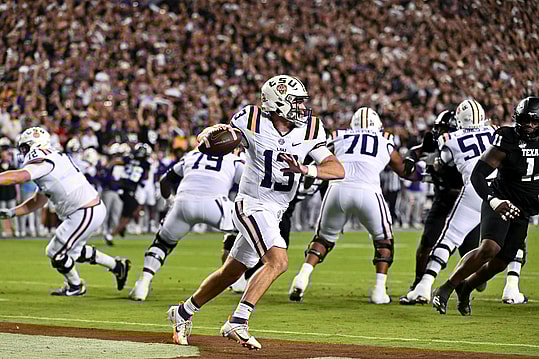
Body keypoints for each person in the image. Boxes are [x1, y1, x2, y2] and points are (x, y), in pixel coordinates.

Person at [166, 75, 345, 350]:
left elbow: (337, 168)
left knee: (231, 272)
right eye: (295, 101)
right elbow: (228, 137)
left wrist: (306, 169)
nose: (301, 107)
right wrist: (210, 135)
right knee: (278, 261)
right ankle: (238, 320)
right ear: (278, 103)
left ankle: (183, 312)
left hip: (276, 210)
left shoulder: (311, 128)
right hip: (251, 204)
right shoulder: (251, 119)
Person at [288, 107, 420, 304]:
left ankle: (302, 277)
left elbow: (318, 156)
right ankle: (379, 291)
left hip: (337, 189)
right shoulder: (384, 139)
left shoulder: (339, 136)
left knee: (322, 239)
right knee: (384, 241)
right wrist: (418, 165)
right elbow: (403, 170)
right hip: (368, 191)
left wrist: (310, 178)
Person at [431, 96, 539, 315]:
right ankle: (446, 288)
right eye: (525, 120)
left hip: (524, 207)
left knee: (502, 261)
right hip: (501, 199)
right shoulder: (507, 138)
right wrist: (494, 200)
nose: (528, 125)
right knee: (489, 248)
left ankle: (466, 287)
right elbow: (479, 174)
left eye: (534, 121)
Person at [0, 127, 131, 296]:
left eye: (24, 147)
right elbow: (37, 201)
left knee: (56, 253)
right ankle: (117, 266)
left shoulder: (42, 159)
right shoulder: (53, 160)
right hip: (85, 210)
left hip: (84, 211)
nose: (23, 152)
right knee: (75, 251)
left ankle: (76, 286)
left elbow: (20, 176)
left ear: (33, 145)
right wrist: (11, 212)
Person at [405, 99, 499, 305]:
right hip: (495, 192)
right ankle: (420, 284)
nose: (440, 132)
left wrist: (430, 164)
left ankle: (431, 285)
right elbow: (418, 151)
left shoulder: (449, 140)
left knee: (453, 241)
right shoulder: (495, 132)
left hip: (469, 195)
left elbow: (440, 160)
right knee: (511, 243)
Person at [128, 147, 244, 301]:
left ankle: (143, 283)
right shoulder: (232, 159)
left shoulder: (192, 155)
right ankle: (238, 280)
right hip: (215, 204)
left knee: (162, 243)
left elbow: (165, 180)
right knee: (242, 229)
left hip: (183, 202)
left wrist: (171, 202)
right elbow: (249, 183)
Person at [104, 143, 151, 246]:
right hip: (130, 189)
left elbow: (117, 162)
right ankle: (111, 235)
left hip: (122, 187)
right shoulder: (145, 164)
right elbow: (146, 177)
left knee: (134, 209)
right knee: (128, 214)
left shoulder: (129, 159)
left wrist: (109, 165)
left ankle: (122, 228)